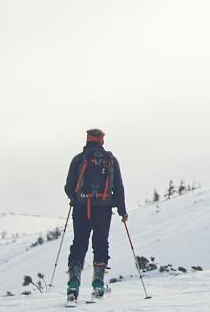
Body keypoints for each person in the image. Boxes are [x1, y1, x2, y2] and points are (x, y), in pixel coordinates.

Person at [63, 128, 128, 301]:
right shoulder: (111, 160)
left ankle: (73, 284)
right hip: (103, 209)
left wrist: (75, 199)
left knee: (79, 243)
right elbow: (119, 187)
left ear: (87, 139)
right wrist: (122, 211)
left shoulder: (78, 160)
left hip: (81, 208)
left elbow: (69, 186)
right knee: (100, 244)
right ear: (101, 141)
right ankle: (98, 284)